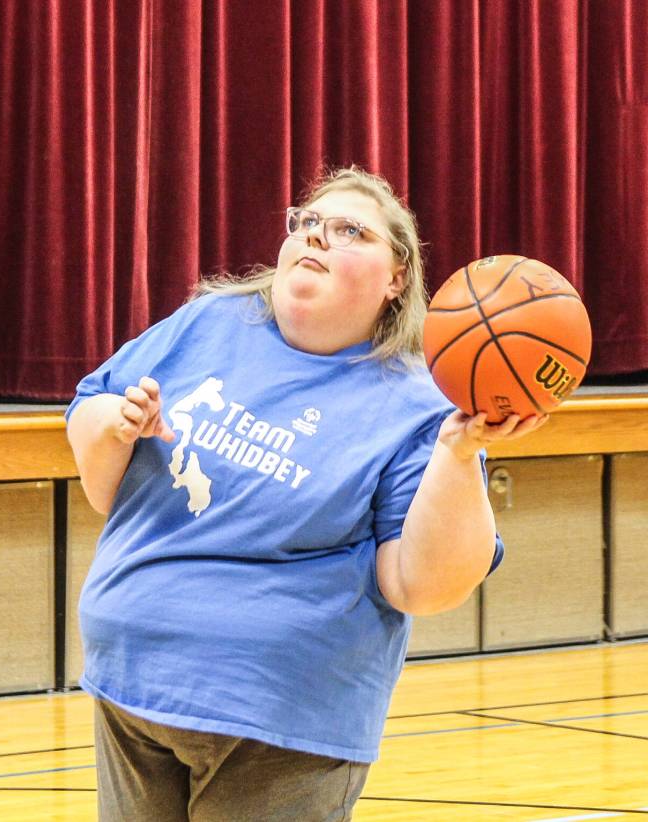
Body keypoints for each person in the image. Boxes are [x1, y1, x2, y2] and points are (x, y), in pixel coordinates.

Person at [65, 166, 547, 821]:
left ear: (397, 276)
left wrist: (457, 455)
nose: (317, 236)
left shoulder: (418, 405)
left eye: (350, 231)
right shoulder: (211, 321)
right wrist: (115, 425)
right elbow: (99, 466)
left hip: (282, 722)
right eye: (308, 223)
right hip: (131, 684)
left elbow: (423, 586)